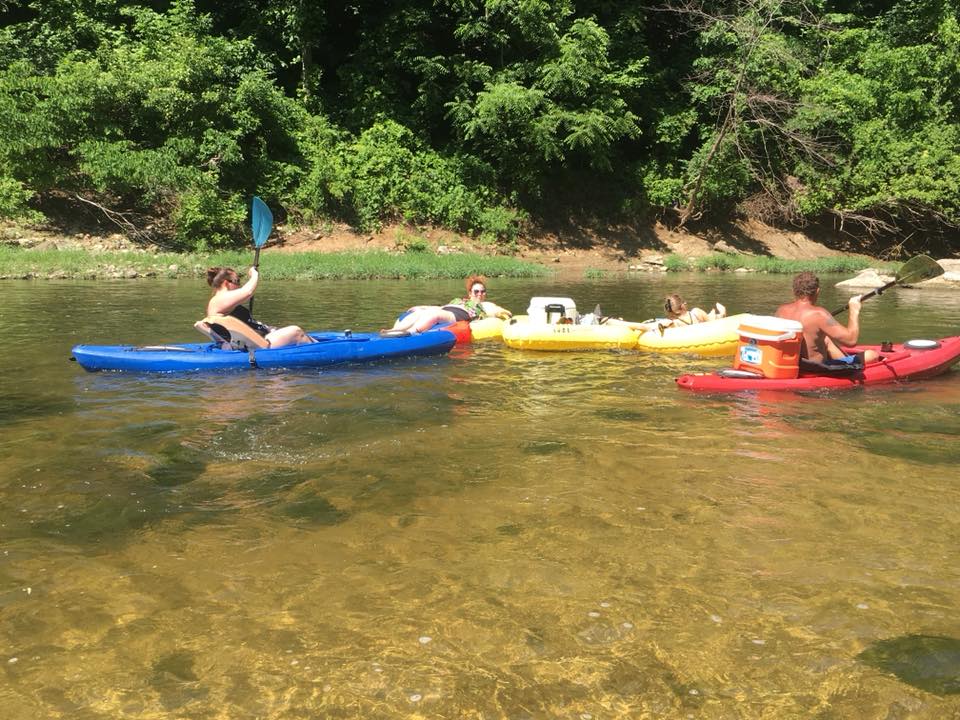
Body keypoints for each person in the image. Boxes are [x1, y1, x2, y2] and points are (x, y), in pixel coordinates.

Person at [775, 270, 878, 364]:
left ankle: (846, 363)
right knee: (872, 355)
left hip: (794, 365)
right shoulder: (820, 314)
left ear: (794, 291)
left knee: (826, 338)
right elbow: (851, 341)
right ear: (817, 291)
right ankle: (848, 367)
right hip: (816, 370)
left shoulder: (781, 311)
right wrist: (854, 310)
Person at [205, 266, 315, 347]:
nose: (240, 285)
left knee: (303, 335)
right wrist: (254, 274)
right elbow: (248, 292)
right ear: (226, 283)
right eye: (237, 281)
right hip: (253, 345)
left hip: (253, 341)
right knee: (295, 331)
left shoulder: (222, 300)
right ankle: (322, 355)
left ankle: (316, 346)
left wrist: (268, 328)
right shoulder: (219, 299)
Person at [385, 275, 512, 335]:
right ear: (470, 293)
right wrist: (422, 307)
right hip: (447, 309)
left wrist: (503, 313)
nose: (480, 294)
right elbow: (441, 307)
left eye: (483, 291)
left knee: (435, 315)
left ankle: (411, 334)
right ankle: (394, 331)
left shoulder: (484, 305)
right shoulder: (459, 300)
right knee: (419, 313)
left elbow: (496, 310)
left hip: (459, 315)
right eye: (476, 291)